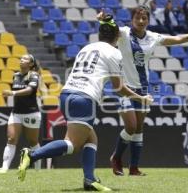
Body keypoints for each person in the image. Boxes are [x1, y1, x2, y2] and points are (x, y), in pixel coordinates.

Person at [17, 15, 153, 191]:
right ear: (117, 36)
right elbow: (119, 88)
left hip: (66, 94)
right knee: (72, 144)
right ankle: (32, 154)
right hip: (84, 98)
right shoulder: (114, 53)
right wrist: (141, 98)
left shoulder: (86, 48)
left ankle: (89, 180)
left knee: (91, 139)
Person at [97, 5, 188, 176]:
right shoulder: (123, 33)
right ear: (132, 19)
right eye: (137, 18)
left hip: (143, 88)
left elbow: (178, 39)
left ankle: (134, 168)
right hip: (124, 87)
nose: (141, 21)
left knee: (139, 129)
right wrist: (103, 18)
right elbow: (109, 24)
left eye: (144, 18)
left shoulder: (153, 37)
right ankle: (116, 158)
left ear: (148, 20)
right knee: (130, 126)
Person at [0, 54, 42, 174]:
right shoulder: (15, 75)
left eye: (25, 59)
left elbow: (30, 90)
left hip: (31, 112)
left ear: (31, 64)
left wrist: (12, 93)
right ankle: (4, 168)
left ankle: (38, 168)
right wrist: (11, 93)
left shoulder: (34, 75)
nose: (22, 60)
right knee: (11, 139)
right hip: (16, 113)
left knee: (33, 142)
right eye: (21, 58)